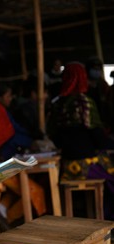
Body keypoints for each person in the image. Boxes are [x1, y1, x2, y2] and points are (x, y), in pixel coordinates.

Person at [47, 62, 114, 220]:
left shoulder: (57, 105)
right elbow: (98, 138)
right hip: (88, 165)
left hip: (67, 167)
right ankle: (108, 220)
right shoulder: (85, 103)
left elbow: (55, 138)